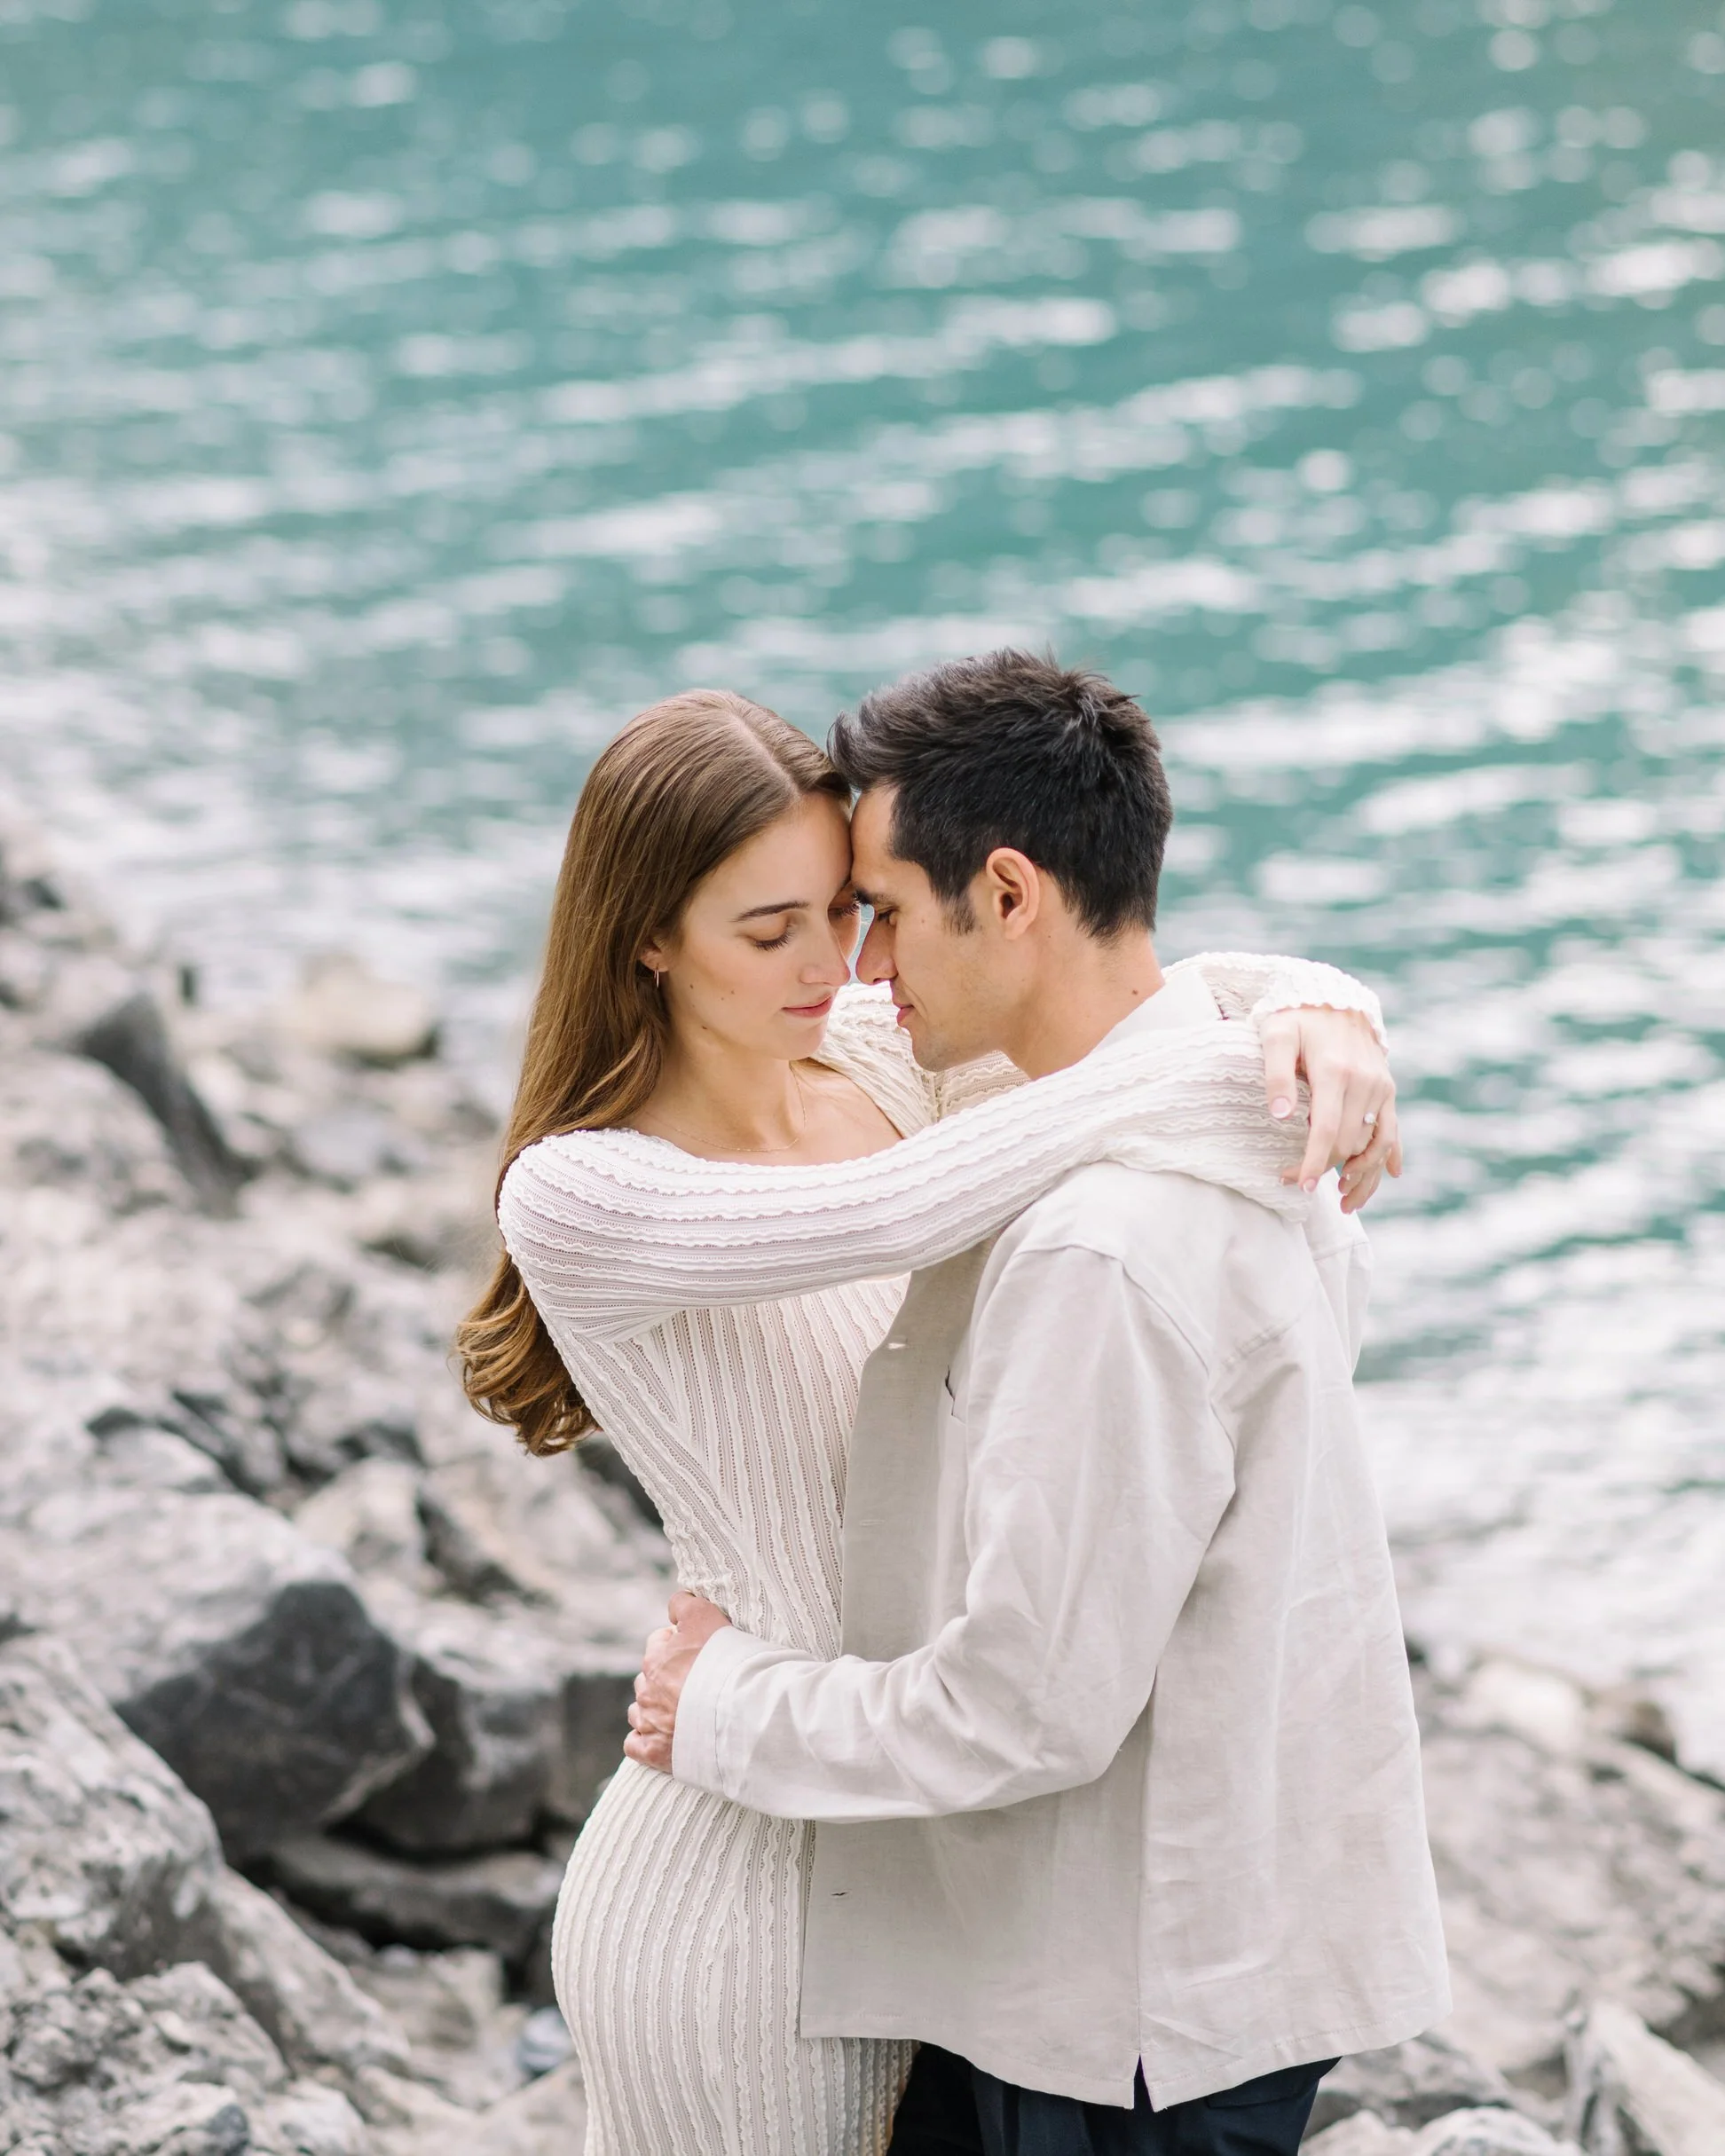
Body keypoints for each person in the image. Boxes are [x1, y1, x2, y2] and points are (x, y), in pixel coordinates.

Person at [459, 667, 1402, 2156]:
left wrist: (1310, 1006)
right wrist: (1274, 1056)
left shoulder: (887, 1061)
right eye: (772, 930)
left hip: (924, 1852)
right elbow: (915, 1197)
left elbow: (1082, 1000)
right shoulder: (585, 1191)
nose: (838, 965)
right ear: (646, 940)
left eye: (852, 909)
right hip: (744, 1877)